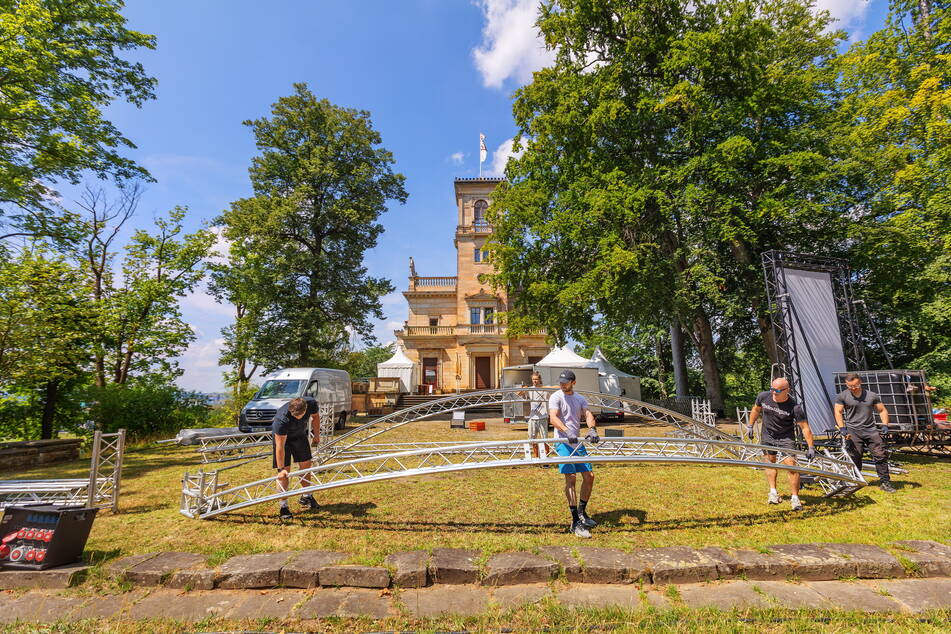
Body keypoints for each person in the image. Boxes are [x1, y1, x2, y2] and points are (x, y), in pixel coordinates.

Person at [747, 377, 815, 511]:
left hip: (786, 438)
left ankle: (795, 498)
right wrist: (750, 425)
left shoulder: (794, 407)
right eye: (772, 389)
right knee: (770, 462)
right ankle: (773, 492)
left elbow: (805, 427)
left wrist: (811, 447)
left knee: (791, 466)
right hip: (768, 435)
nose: (773, 393)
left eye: (777, 390)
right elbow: (756, 409)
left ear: (787, 390)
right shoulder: (763, 396)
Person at [549, 369, 599, 538]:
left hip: (577, 442)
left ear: (573, 383)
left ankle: (582, 512)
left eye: (565, 382)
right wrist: (566, 431)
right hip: (563, 441)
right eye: (561, 382)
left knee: (589, 476)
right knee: (571, 478)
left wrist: (592, 429)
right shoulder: (556, 396)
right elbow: (553, 417)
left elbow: (587, 414)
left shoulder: (579, 398)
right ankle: (575, 521)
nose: (562, 384)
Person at [834, 373, 895, 493]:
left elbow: (882, 410)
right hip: (853, 431)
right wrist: (842, 428)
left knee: (880, 455)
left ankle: (885, 482)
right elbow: (838, 411)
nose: (853, 388)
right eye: (850, 386)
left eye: (855, 385)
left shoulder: (872, 395)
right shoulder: (843, 396)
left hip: (871, 430)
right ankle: (855, 480)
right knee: (855, 456)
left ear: (860, 382)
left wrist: (885, 425)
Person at [272, 396, 321, 519]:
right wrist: (281, 468)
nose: (296, 417)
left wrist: (316, 435)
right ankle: (283, 506)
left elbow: (315, 417)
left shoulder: (311, 403)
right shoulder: (281, 420)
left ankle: (306, 496)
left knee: (306, 466)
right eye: (294, 416)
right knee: (284, 474)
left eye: (299, 415)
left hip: (299, 435)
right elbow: (280, 447)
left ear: (305, 409)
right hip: (284, 441)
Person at [523, 371, 550, 458]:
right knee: (532, 439)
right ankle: (536, 457)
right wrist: (524, 388)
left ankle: (546, 457)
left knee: (545, 438)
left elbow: (555, 390)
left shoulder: (545, 389)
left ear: (539, 379)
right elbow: (518, 394)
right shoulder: (530, 389)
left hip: (543, 417)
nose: (535, 381)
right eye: (533, 379)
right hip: (532, 417)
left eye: (536, 379)